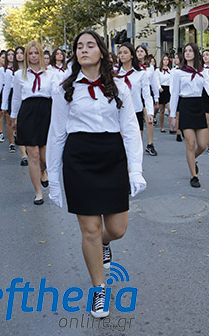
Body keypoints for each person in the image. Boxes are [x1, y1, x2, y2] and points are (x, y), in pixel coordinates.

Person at [47, 30, 146, 318]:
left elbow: (130, 130)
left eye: (90, 45)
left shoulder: (119, 87)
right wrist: (54, 180)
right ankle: (98, 288)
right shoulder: (65, 89)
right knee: (89, 229)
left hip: (112, 156)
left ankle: (105, 243)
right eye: (79, 46)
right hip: (79, 159)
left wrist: (136, 170)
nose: (84, 50)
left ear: (101, 51)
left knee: (117, 229)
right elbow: (56, 135)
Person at [169, 43, 209, 188]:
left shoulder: (202, 72)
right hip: (185, 106)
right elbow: (174, 94)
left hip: (199, 106)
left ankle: (192, 159)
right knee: (190, 143)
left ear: (195, 53)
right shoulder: (178, 73)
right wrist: (172, 115)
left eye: (190, 51)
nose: (187, 53)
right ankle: (194, 176)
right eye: (185, 51)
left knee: (202, 144)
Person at [11, 41, 56, 205]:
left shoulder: (51, 74)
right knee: (34, 155)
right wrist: (14, 117)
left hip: (46, 113)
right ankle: (38, 192)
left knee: (45, 156)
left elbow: (57, 96)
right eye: (30, 53)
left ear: (41, 55)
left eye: (36, 53)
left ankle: (43, 172)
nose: (34, 56)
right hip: (28, 113)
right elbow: (16, 98)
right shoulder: (19, 75)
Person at [115, 42, 153, 136]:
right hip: (119, 112)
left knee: (136, 141)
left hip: (136, 111)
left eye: (125, 52)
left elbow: (147, 95)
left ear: (132, 55)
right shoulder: (115, 75)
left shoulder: (141, 74)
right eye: (120, 53)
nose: (122, 55)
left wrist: (150, 112)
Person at [135, 45, 158, 156]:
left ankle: (150, 144)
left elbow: (154, 82)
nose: (139, 53)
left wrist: (156, 97)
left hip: (147, 93)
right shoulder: (133, 66)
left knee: (149, 120)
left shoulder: (150, 67)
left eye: (141, 51)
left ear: (145, 53)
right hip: (136, 93)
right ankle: (137, 145)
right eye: (137, 51)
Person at [157, 54, 173, 133]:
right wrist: (159, 87)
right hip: (161, 90)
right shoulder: (158, 70)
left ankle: (171, 127)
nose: (166, 61)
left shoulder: (171, 71)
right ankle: (162, 126)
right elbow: (156, 80)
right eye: (164, 60)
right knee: (162, 110)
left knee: (170, 109)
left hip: (168, 89)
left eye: (167, 60)